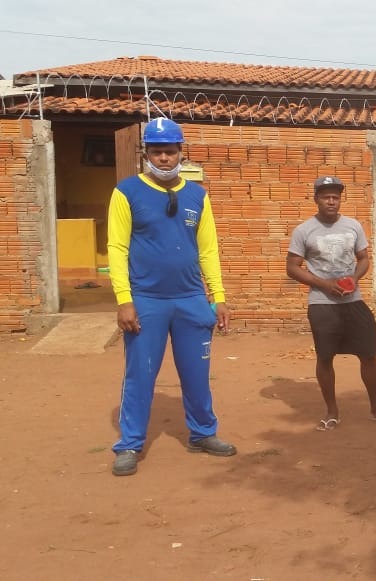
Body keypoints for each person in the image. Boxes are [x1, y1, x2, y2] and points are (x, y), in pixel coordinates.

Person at [108, 117, 235, 477]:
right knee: (140, 375)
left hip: (192, 299)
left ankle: (203, 433)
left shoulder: (198, 195)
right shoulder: (127, 192)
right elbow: (116, 247)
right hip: (146, 299)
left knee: (197, 373)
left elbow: (208, 250)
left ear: (181, 153)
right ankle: (129, 444)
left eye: (170, 151)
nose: (164, 158)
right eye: (157, 151)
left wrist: (218, 297)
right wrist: (124, 299)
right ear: (145, 154)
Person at [286, 176, 376, 430]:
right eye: (326, 196)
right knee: (325, 358)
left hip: (353, 301)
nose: (331, 201)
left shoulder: (353, 226)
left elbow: (363, 258)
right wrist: (325, 284)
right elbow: (292, 267)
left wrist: (354, 278)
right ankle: (332, 412)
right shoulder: (304, 230)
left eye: (335, 196)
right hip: (321, 304)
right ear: (316, 199)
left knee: (368, 354)